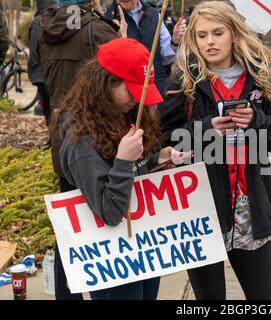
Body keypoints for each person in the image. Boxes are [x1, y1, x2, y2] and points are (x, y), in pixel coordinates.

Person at [157, 1, 271, 300]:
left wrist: (256, 121)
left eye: (217, 33)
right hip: (202, 208)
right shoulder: (183, 79)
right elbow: (163, 141)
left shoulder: (263, 73)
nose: (209, 42)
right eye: (202, 35)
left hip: (251, 208)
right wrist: (206, 129)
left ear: (233, 33)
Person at [50, 37, 180, 300]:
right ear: (106, 82)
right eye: (132, 91)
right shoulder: (81, 139)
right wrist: (124, 161)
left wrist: (155, 159)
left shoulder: (122, 113)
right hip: (112, 256)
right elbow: (109, 212)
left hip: (142, 245)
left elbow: (134, 171)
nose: (137, 100)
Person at [39, 0, 126, 300]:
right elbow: (126, 71)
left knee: (71, 227)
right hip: (98, 140)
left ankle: (68, 294)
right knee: (101, 225)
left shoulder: (42, 29)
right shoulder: (99, 29)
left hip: (63, 138)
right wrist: (122, 37)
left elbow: (39, 82)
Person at [104, 0, 186, 90]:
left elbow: (165, 57)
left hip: (158, 87)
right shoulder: (106, 17)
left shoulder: (154, 14)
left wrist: (175, 41)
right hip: (129, 91)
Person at [28, 0, 59, 124]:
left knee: (47, 109)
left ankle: (52, 139)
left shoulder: (39, 20)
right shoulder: (60, 19)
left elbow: (33, 49)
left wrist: (34, 68)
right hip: (56, 72)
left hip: (42, 74)